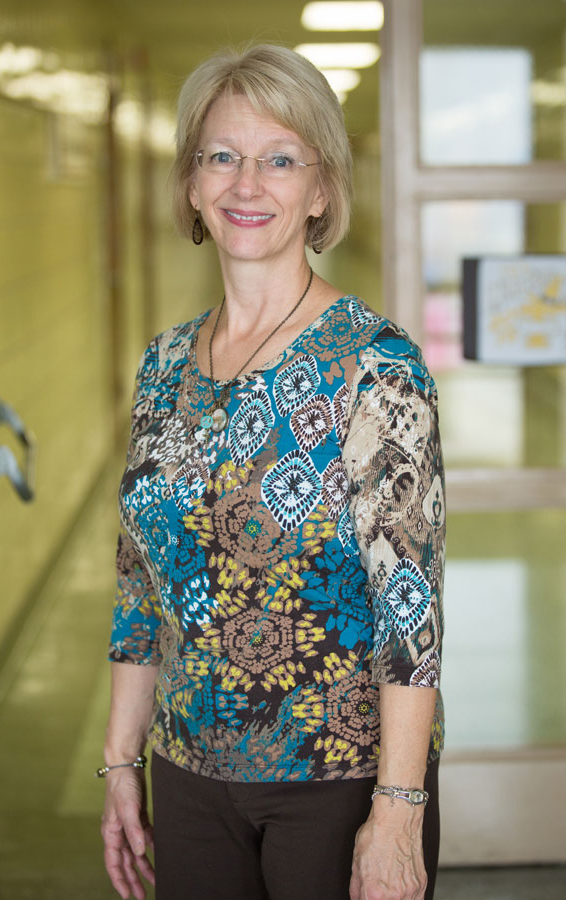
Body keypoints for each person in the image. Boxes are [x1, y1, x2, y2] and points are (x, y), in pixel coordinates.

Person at [99, 43, 445, 900]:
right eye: (222, 156)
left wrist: (398, 812)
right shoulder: (163, 364)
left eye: (280, 159)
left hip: (337, 781)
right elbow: (140, 586)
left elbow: (411, 611)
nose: (246, 184)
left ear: (321, 191)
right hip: (186, 773)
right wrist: (120, 762)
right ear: (192, 184)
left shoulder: (376, 366)